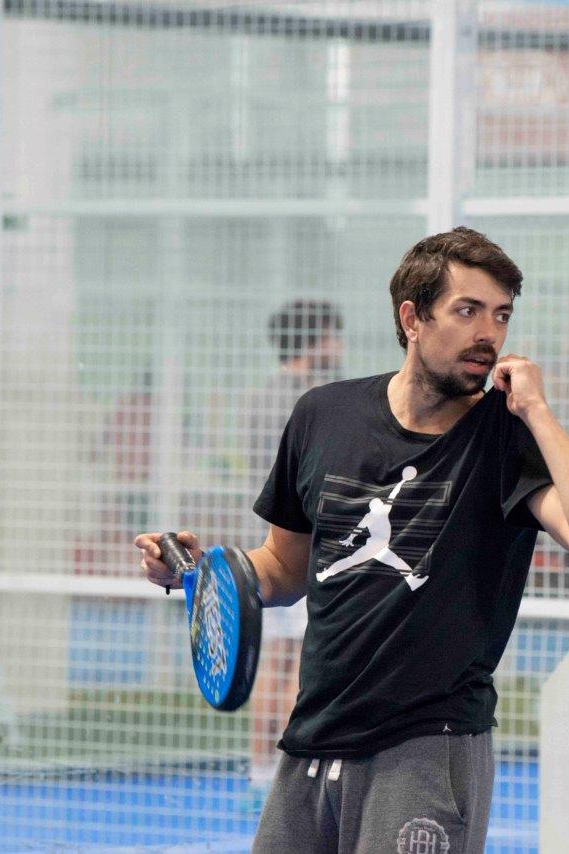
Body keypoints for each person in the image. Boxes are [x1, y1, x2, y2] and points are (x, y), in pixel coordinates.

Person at [136, 227, 569, 853]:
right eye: (468, 311)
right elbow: (283, 570)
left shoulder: (505, 438)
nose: (489, 333)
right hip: (311, 742)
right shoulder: (323, 414)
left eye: (501, 315)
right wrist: (200, 574)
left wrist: (537, 412)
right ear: (412, 318)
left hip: (427, 748)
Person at [241, 299, 344, 805]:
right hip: (298, 543)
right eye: (334, 335)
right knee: (299, 662)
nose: (339, 346)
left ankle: (261, 772)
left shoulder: (261, 397)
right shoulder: (310, 400)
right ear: (315, 337)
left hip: (267, 535)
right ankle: (288, 780)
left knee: (275, 660)